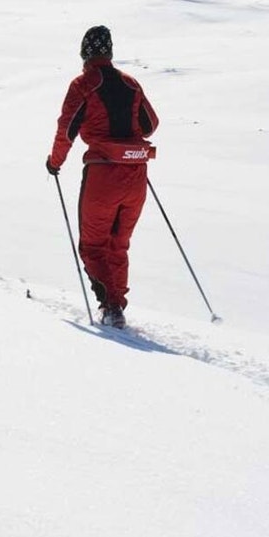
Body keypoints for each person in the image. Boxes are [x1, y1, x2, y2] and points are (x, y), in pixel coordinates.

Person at [45, 25, 159, 327]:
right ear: (109, 52)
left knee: (93, 245)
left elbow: (66, 129)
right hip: (136, 174)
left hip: (103, 174)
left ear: (85, 53)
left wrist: (54, 163)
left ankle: (110, 307)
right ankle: (117, 304)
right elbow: (150, 125)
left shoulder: (83, 85)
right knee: (118, 243)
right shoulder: (131, 85)